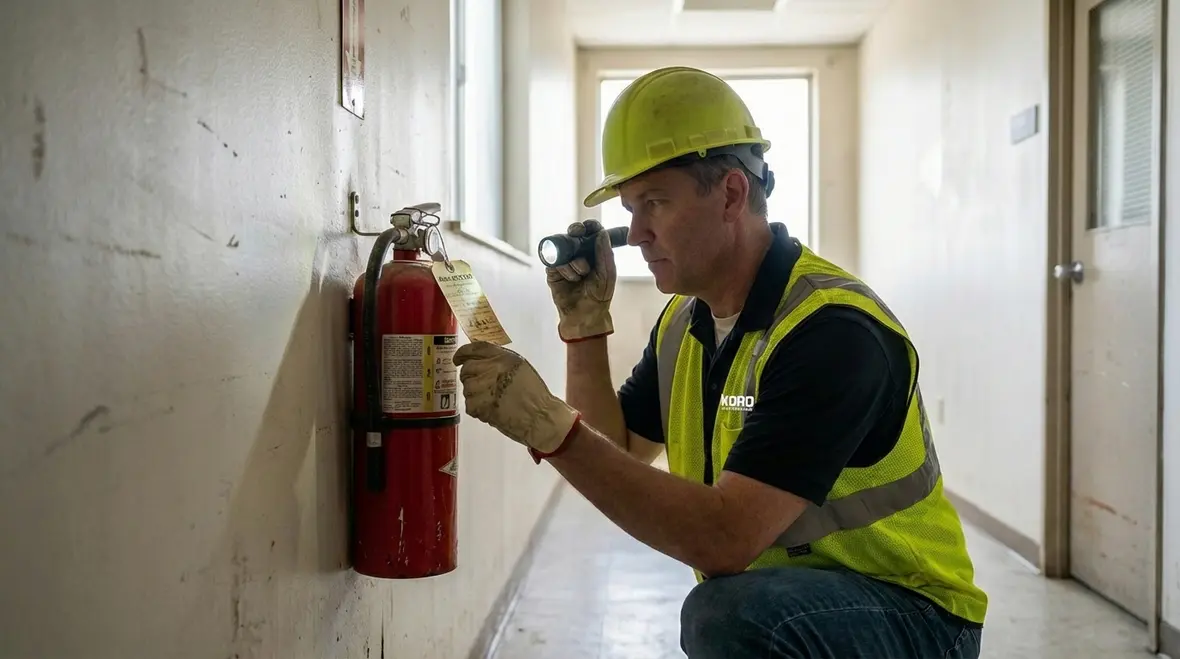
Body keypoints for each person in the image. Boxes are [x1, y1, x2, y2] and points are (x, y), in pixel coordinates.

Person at [452, 66, 987, 658]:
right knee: (736, 612)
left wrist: (550, 428)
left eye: (654, 202)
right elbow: (618, 449)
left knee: (729, 615)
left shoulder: (832, 333)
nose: (637, 233)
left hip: (914, 615)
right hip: (800, 603)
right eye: (630, 209)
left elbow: (725, 538)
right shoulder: (687, 321)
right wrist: (584, 332)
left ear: (731, 194)